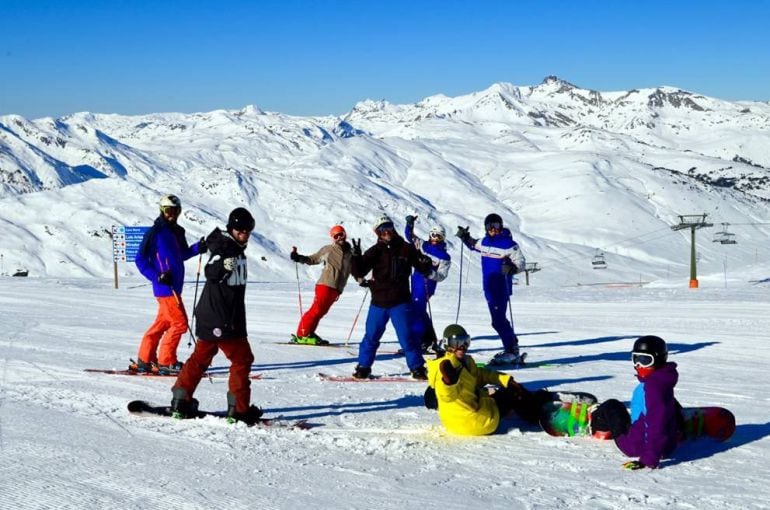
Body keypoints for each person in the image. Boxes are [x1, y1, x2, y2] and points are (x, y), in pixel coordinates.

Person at [170, 207, 263, 425]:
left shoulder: (235, 248)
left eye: (248, 230)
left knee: (201, 357)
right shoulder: (226, 248)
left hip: (215, 316)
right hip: (222, 319)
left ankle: (180, 401)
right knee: (242, 359)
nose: (244, 233)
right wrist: (222, 265)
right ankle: (238, 410)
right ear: (231, 229)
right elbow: (211, 270)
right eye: (240, 230)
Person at [350, 215, 434, 380]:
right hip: (378, 303)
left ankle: (417, 368)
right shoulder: (375, 251)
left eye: (388, 227)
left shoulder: (406, 248)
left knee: (407, 337)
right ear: (378, 233)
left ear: (393, 228)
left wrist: (426, 262)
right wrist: (355, 257)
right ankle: (363, 367)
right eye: (382, 230)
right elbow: (359, 272)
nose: (386, 232)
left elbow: (422, 265)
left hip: (400, 302)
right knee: (371, 337)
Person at [425, 324, 549, 435]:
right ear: (448, 345)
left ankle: (529, 402)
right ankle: (542, 416)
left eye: (465, 341)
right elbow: (446, 396)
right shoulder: (446, 369)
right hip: (477, 422)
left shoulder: (464, 362)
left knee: (503, 390)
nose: (462, 347)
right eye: (456, 342)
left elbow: (480, 375)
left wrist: (505, 380)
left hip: (456, 422)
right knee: (513, 394)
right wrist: (449, 383)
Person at [132, 194, 205, 375]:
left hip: (174, 286)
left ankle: (145, 358)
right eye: (168, 210)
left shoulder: (177, 232)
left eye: (175, 211)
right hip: (165, 287)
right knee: (180, 323)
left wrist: (199, 248)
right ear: (162, 210)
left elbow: (181, 254)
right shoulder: (155, 233)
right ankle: (166, 361)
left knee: (163, 323)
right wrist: (157, 277)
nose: (171, 214)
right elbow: (140, 259)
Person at [590, 335, 681, 470]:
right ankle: (679, 423)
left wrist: (648, 458)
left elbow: (656, 424)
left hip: (635, 445)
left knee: (612, 406)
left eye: (645, 360)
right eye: (636, 359)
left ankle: (597, 423)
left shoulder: (652, 387)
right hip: (667, 446)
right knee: (669, 403)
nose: (639, 365)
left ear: (659, 359)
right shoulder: (664, 378)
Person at [456, 213, 525, 364]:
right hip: (488, 286)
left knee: (498, 320)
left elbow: (521, 262)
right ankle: (512, 345)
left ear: (501, 226)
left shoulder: (508, 244)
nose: (493, 229)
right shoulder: (485, 242)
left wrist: (512, 268)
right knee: (498, 320)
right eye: (489, 226)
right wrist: (465, 237)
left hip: (501, 287)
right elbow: (474, 245)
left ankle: (511, 350)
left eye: (496, 226)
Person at [289, 225, 354, 345]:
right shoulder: (328, 250)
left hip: (337, 289)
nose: (340, 237)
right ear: (333, 238)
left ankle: (309, 332)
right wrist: (298, 257)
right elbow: (313, 259)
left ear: (345, 234)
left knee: (321, 312)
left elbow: (355, 270)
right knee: (316, 310)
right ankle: (302, 334)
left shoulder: (350, 254)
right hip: (325, 285)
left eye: (341, 234)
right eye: (336, 235)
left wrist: (364, 282)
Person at [404, 215, 451, 354]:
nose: (435, 238)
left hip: (427, 284)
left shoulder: (444, 256)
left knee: (416, 311)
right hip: (415, 281)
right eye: (433, 235)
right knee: (419, 311)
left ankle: (418, 342)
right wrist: (410, 224)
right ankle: (429, 340)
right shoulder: (423, 245)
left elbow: (442, 275)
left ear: (442, 238)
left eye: (439, 236)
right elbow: (409, 236)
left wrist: (429, 273)